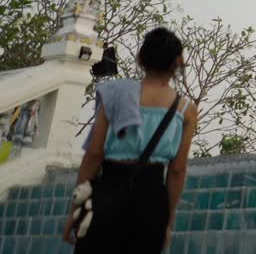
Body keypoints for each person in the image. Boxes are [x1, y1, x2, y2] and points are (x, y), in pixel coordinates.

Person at [63, 27, 198, 252]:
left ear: (141, 58)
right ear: (177, 63)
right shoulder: (186, 109)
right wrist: (168, 223)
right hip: (152, 201)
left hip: (108, 192)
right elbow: (177, 170)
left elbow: (94, 155)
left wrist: (74, 211)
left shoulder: (116, 94)